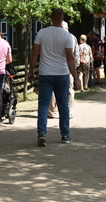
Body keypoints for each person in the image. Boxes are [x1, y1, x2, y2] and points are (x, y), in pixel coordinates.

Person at [28, 9, 80, 147]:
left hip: (45, 73)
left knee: (43, 105)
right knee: (63, 105)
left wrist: (31, 72)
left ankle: (42, 133)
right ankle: (65, 134)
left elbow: (34, 54)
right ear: (62, 18)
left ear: (51, 18)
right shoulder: (67, 35)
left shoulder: (41, 33)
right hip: (62, 74)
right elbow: (70, 58)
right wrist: (75, 78)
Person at [48, 21, 79, 119]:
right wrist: (75, 67)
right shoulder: (72, 37)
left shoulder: (52, 37)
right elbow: (76, 55)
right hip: (66, 67)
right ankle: (67, 111)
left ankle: (53, 111)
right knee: (69, 89)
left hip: (57, 67)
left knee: (56, 88)